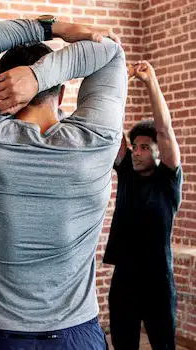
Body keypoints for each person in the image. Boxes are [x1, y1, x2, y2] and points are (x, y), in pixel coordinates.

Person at [0, 17, 127, 349]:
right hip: (76, 336)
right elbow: (111, 50)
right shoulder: (97, 140)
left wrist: (50, 27)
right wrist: (40, 76)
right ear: (64, 88)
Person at [103, 61, 182, 350]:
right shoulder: (126, 172)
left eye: (145, 147)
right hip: (125, 279)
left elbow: (165, 129)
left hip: (158, 282)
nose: (136, 152)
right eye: (135, 146)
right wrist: (118, 82)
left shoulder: (167, 180)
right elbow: (111, 127)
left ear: (159, 152)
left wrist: (150, 83)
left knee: (163, 345)